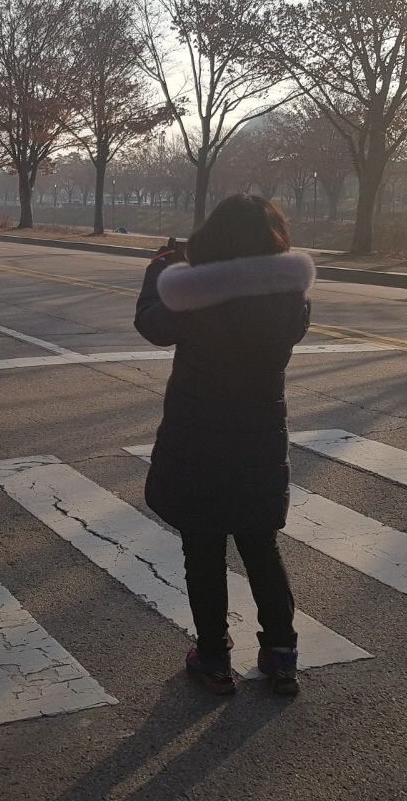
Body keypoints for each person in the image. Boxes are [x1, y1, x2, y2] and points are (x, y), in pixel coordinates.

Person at [134, 194, 314, 696]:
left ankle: (213, 657)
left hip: (198, 441)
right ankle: (281, 655)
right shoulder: (289, 294)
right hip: (259, 443)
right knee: (261, 547)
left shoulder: (191, 293)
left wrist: (160, 270)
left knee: (204, 549)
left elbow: (152, 324)